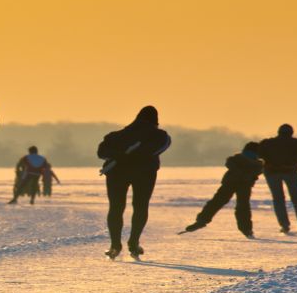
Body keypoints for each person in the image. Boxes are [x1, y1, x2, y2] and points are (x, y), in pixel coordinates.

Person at [97, 106, 171, 259]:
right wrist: (134, 157)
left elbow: (101, 152)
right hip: (144, 173)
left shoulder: (115, 136)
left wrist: (120, 156)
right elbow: (156, 149)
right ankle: (134, 243)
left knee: (116, 207)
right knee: (140, 206)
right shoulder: (160, 135)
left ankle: (115, 245)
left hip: (116, 173)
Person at [182, 142, 263, 238]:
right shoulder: (256, 164)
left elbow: (231, 164)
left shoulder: (238, 159)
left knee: (217, 202)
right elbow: (253, 172)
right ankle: (246, 229)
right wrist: (247, 175)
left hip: (232, 183)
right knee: (242, 206)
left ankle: (201, 221)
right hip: (243, 184)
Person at [259, 124, 297, 235]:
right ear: (291, 132)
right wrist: (290, 163)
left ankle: (284, 225)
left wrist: (272, 162)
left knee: (278, 199)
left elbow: (260, 153)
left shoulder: (267, 143)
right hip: (291, 172)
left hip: (272, 173)